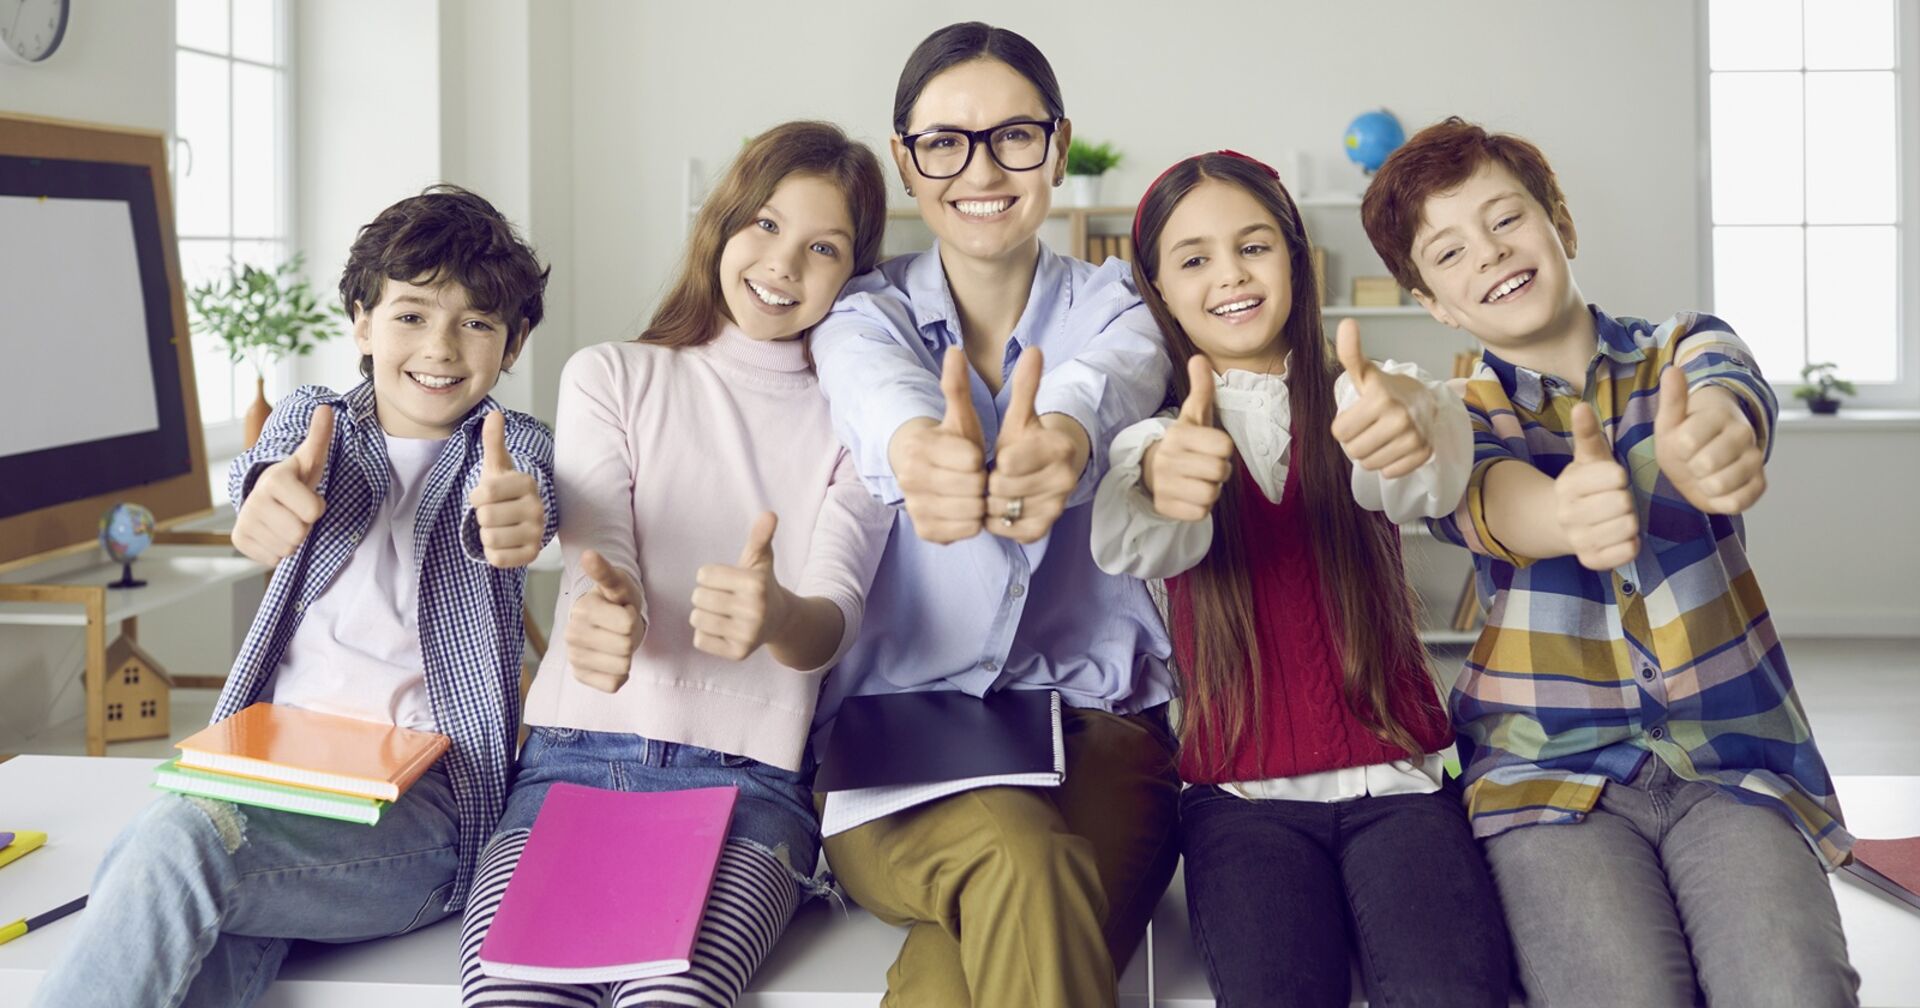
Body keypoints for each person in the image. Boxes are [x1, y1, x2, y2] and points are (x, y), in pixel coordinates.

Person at [1360, 116, 1858, 1006]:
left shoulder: (1686, 348)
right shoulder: (1450, 418)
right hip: (1542, 778)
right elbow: (1478, 493)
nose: (1489, 254)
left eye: (1507, 219)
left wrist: (1716, 442)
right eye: (1448, 252)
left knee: (1796, 988)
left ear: (1561, 223)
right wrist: (1560, 511)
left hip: (1731, 770)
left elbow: (1726, 400)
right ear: (1432, 303)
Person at [35, 184, 556, 1008]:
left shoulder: (511, 445)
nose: (442, 347)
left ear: (514, 342)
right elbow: (271, 476)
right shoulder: (315, 423)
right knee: (185, 907)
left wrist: (516, 520)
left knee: (176, 843)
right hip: (271, 781)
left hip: (426, 818)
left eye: (478, 323)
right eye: (412, 315)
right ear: (361, 321)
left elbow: (524, 497)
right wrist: (266, 504)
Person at [457, 121, 895, 1008]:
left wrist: (778, 617)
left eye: (823, 247)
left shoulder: (863, 424)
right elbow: (599, 548)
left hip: (750, 787)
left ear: (854, 273)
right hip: (571, 764)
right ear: (721, 224)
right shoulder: (610, 377)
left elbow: (832, 617)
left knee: (676, 1000)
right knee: (512, 998)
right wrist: (605, 602)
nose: (784, 264)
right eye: (766, 226)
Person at [806, 21, 1178, 1008]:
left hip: (1100, 739)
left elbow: (1112, 375)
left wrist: (1059, 435)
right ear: (906, 160)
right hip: (899, 745)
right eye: (944, 142)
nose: (981, 168)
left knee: (958, 967)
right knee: (1016, 852)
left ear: (1057, 145)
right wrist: (920, 453)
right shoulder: (862, 315)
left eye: (1013, 136)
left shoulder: (1120, 307)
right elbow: (874, 388)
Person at [1091, 149, 1508, 1006]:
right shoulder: (1155, 437)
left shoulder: (1370, 398)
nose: (1231, 277)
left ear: (1295, 257)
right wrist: (1170, 483)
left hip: (1403, 783)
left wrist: (1411, 421)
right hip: (1239, 806)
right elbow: (1139, 538)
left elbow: (1419, 473)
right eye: (1194, 259)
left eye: (1255, 246)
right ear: (1158, 290)